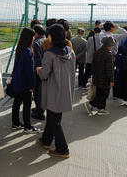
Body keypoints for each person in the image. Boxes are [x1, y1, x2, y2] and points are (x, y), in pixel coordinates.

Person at [36, 24, 76, 158]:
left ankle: (63, 149)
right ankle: (46, 140)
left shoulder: (49, 54)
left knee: (55, 121)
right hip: (65, 90)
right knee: (54, 117)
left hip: (53, 91)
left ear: (52, 36)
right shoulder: (70, 51)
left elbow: (44, 74)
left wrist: (38, 70)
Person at [11, 27, 41, 133]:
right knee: (27, 105)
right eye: (33, 36)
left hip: (17, 81)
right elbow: (28, 71)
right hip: (24, 83)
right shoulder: (28, 51)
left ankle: (15, 123)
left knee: (17, 103)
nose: (34, 38)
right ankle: (27, 126)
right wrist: (31, 86)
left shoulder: (20, 48)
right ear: (29, 37)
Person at [84, 35, 115, 116]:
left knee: (99, 93)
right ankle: (90, 104)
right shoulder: (108, 54)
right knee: (104, 95)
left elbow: (93, 65)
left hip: (97, 77)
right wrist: (111, 80)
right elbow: (110, 69)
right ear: (110, 45)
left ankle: (101, 109)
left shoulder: (98, 52)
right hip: (105, 79)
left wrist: (93, 75)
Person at [31, 24, 47, 120]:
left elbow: (37, 58)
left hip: (38, 71)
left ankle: (39, 111)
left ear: (36, 33)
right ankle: (39, 109)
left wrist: (38, 70)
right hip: (47, 69)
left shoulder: (36, 43)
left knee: (37, 91)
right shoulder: (47, 41)